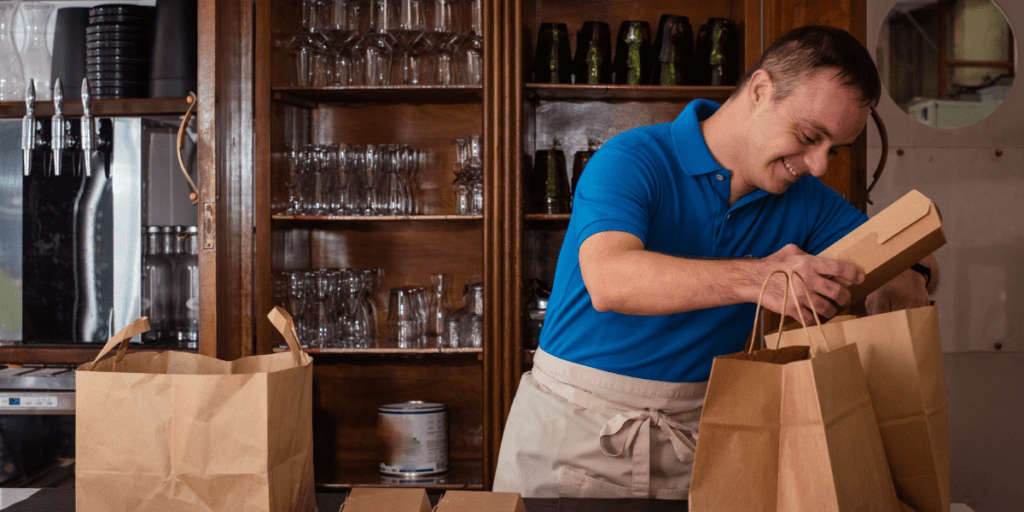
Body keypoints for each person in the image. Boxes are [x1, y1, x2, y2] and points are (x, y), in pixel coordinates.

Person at [492, 25, 939, 499]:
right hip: (576, 435)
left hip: (705, 442)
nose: (820, 165)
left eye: (834, 149)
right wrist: (756, 277)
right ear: (761, 90)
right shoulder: (632, 158)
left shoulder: (808, 200)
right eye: (810, 136)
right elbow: (610, 279)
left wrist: (910, 273)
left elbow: (912, 245)